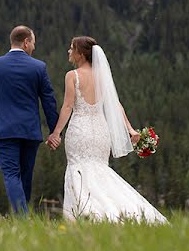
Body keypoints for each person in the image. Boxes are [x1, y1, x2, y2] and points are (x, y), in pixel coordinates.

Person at [47, 36, 167, 223]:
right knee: (100, 171)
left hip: (80, 131)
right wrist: (130, 129)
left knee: (78, 171)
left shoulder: (73, 76)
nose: (69, 52)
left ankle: (86, 217)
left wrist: (56, 133)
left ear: (80, 53)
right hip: (101, 132)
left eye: (71, 48)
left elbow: (68, 107)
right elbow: (117, 106)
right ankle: (125, 212)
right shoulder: (102, 77)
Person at [0, 25, 59, 214]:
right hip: (30, 132)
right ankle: (23, 218)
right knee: (25, 176)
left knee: (12, 176)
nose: (34, 48)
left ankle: (22, 218)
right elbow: (49, 102)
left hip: (5, 132)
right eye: (33, 43)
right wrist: (54, 131)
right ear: (25, 43)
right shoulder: (38, 67)